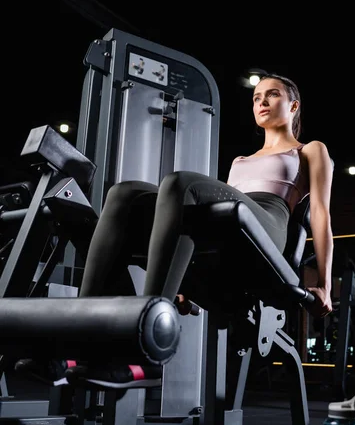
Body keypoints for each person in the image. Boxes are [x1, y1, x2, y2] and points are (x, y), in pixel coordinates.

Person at [15, 73, 334, 389]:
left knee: (180, 183)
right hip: (235, 228)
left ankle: (148, 348)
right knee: (123, 194)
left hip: (269, 223)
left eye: (273, 94)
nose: (262, 101)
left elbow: (320, 214)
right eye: (256, 97)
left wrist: (323, 284)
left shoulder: (309, 150)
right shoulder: (240, 160)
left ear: (293, 106)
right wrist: (181, 278)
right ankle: (80, 339)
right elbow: (202, 221)